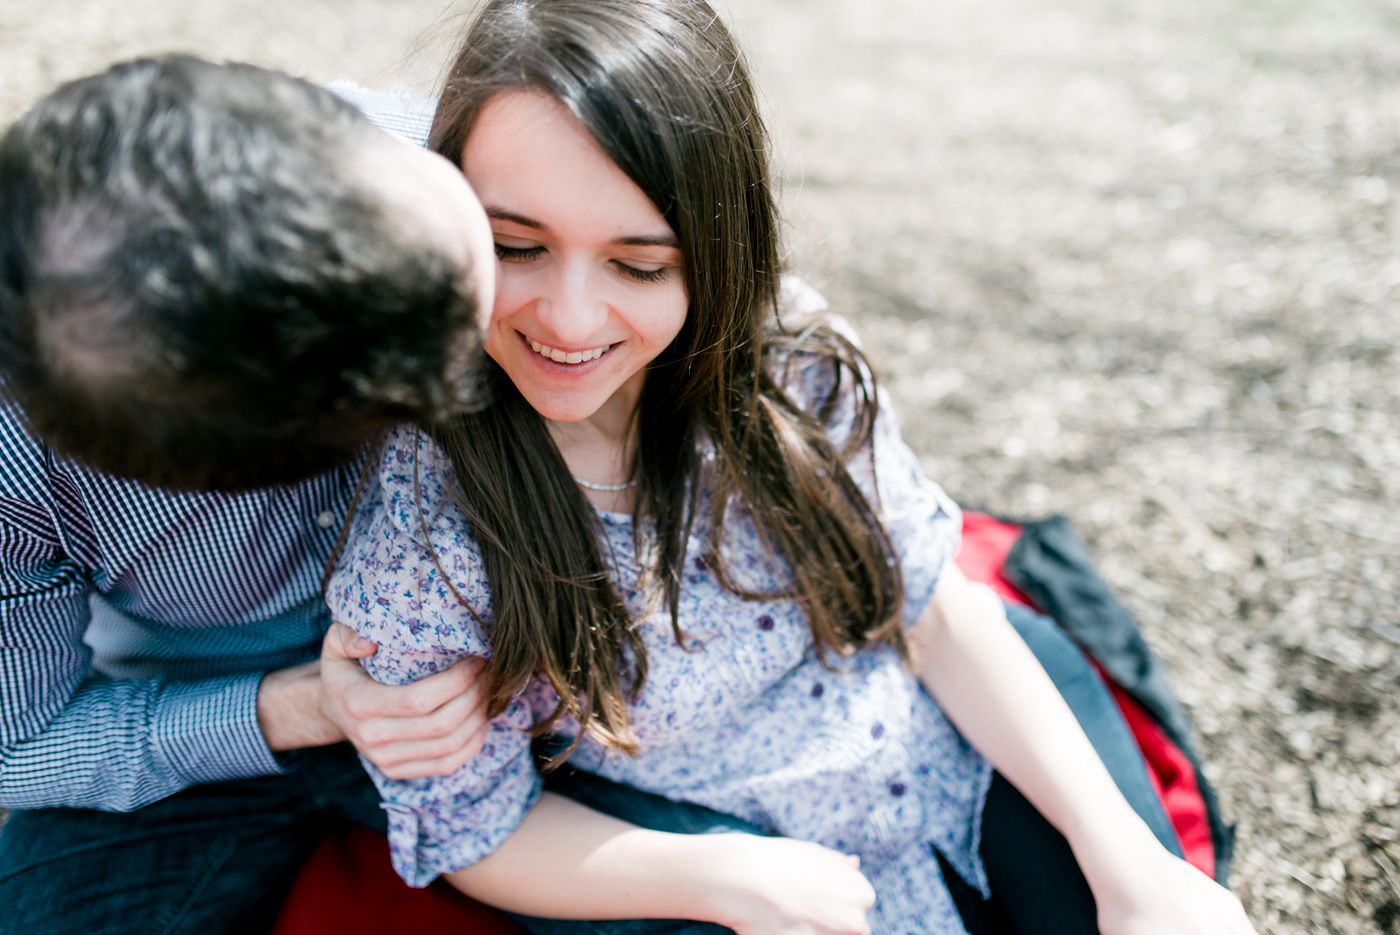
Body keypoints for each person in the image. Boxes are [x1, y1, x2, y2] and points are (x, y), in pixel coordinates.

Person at [324, 1, 1256, 933]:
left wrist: (1126, 860)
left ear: (718, 253)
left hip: (960, 745)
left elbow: (931, 601)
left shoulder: (790, 360)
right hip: (719, 848)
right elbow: (474, 828)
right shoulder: (423, 530)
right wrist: (713, 877)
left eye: (639, 265)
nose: (569, 319)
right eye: (516, 247)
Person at [0, 56, 501, 934]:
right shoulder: (16, 458)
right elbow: (19, 744)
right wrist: (302, 706)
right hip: (197, 717)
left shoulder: (479, 144)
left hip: (503, 681)